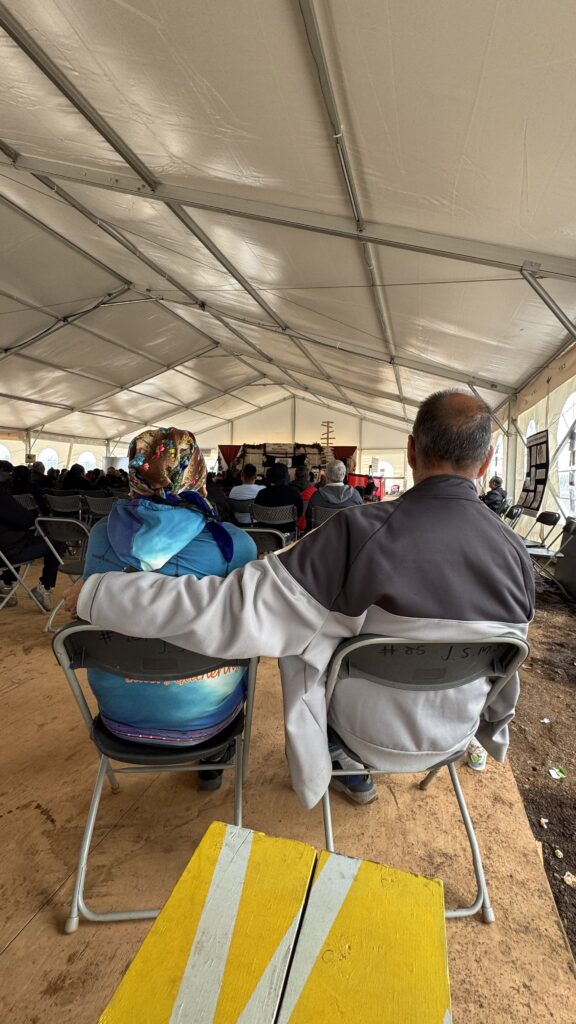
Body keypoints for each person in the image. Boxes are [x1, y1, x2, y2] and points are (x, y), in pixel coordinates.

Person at [64, 391, 534, 811]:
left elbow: (233, 610)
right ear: (489, 460)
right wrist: (492, 728)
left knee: (312, 643)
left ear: (411, 450)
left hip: (360, 731)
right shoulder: (517, 558)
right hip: (456, 733)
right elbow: (504, 666)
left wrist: (99, 592)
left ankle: (343, 759)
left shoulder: (354, 535)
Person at [78, 427, 257, 790]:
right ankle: (213, 756)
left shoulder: (100, 534)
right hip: (205, 716)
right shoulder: (234, 545)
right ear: (196, 472)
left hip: (118, 713)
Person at [0, 467, 60, 610]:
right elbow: (26, 520)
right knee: (55, 542)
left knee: (20, 537)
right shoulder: (2, 497)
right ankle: (44, 587)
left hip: (5, 548)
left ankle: (6, 585)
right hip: (8, 552)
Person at [306, 459, 362, 529]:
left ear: (326, 475)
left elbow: (308, 521)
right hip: (346, 538)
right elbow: (359, 521)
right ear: (344, 475)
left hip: (321, 537)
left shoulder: (316, 496)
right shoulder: (355, 495)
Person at [252, 462, 303, 534]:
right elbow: (299, 513)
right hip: (288, 533)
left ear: (270, 476)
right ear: (287, 477)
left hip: (265, 532)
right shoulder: (294, 492)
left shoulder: (262, 493)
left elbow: (256, 514)